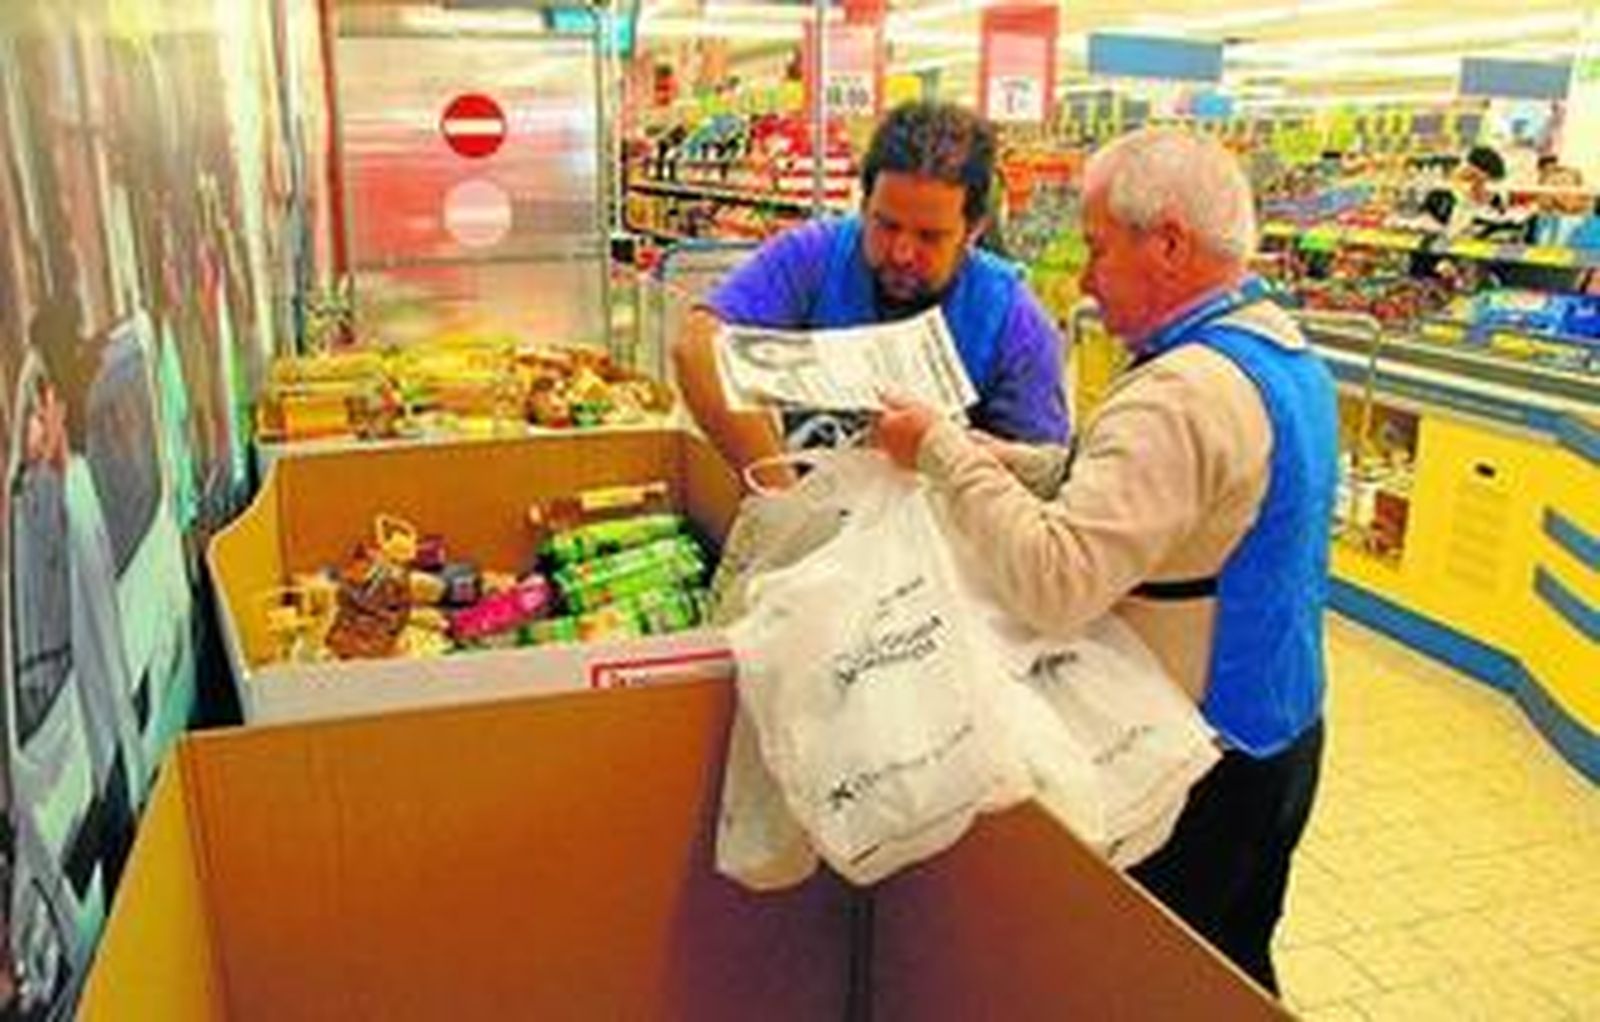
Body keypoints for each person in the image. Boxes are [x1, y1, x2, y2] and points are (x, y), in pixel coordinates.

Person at [872, 127, 1338, 996]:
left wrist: (941, 449)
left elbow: (1057, 582)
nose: (1083, 277)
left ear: (1167, 243)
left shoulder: (1177, 393)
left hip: (1202, 756)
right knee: (1234, 966)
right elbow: (1178, 505)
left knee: (1153, 978)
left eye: (1096, 247)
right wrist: (1025, 465)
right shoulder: (1275, 348)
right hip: (1288, 726)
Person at [672, 101, 1069, 471]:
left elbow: (1042, 475)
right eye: (886, 224)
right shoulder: (814, 256)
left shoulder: (1012, 320)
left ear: (974, 230)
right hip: (813, 515)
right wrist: (781, 495)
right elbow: (697, 346)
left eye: (930, 236)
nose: (902, 252)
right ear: (863, 205)